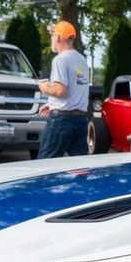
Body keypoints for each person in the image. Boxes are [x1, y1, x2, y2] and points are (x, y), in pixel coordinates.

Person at [37, 21, 90, 159]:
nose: (51, 38)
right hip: (80, 120)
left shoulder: (60, 60)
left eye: (53, 35)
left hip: (61, 121)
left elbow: (60, 91)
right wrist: (52, 103)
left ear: (59, 37)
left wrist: (45, 88)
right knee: (80, 166)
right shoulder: (81, 60)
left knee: (45, 165)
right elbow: (77, 88)